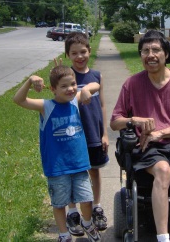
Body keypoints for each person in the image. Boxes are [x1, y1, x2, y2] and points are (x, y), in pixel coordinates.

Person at [110, 30, 170, 242]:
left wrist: (160, 132)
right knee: (162, 170)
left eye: (155, 50)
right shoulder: (132, 84)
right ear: (140, 55)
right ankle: (162, 238)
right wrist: (136, 120)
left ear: (166, 54)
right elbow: (115, 121)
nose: (150, 55)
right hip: (148, 147)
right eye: (145, 51)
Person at [13, 65, 101, 242]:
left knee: (86, 199)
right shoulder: (46, 106)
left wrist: (85, 91)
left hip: (79, 163)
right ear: (53, 89)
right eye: (64, 86)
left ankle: (87, 222)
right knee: (59, 203)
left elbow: (95, 85)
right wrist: (30, 81)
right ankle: (64, 234)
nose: (70, 89)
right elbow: (19, 100)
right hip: (57, 166)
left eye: (73, 84)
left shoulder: (75, 100)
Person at [62, 32, 109, 236]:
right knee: (73, 174)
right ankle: (73, 212)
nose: (79, 56)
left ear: (89, 51)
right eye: (74, 53)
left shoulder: (97, 75)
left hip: (93, 133)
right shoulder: (66, 77)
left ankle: (96, 206)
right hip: (72, 135)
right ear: (68, 55)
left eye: (83, 52)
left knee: (95, 171)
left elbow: (103, 105)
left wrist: (104, 133)